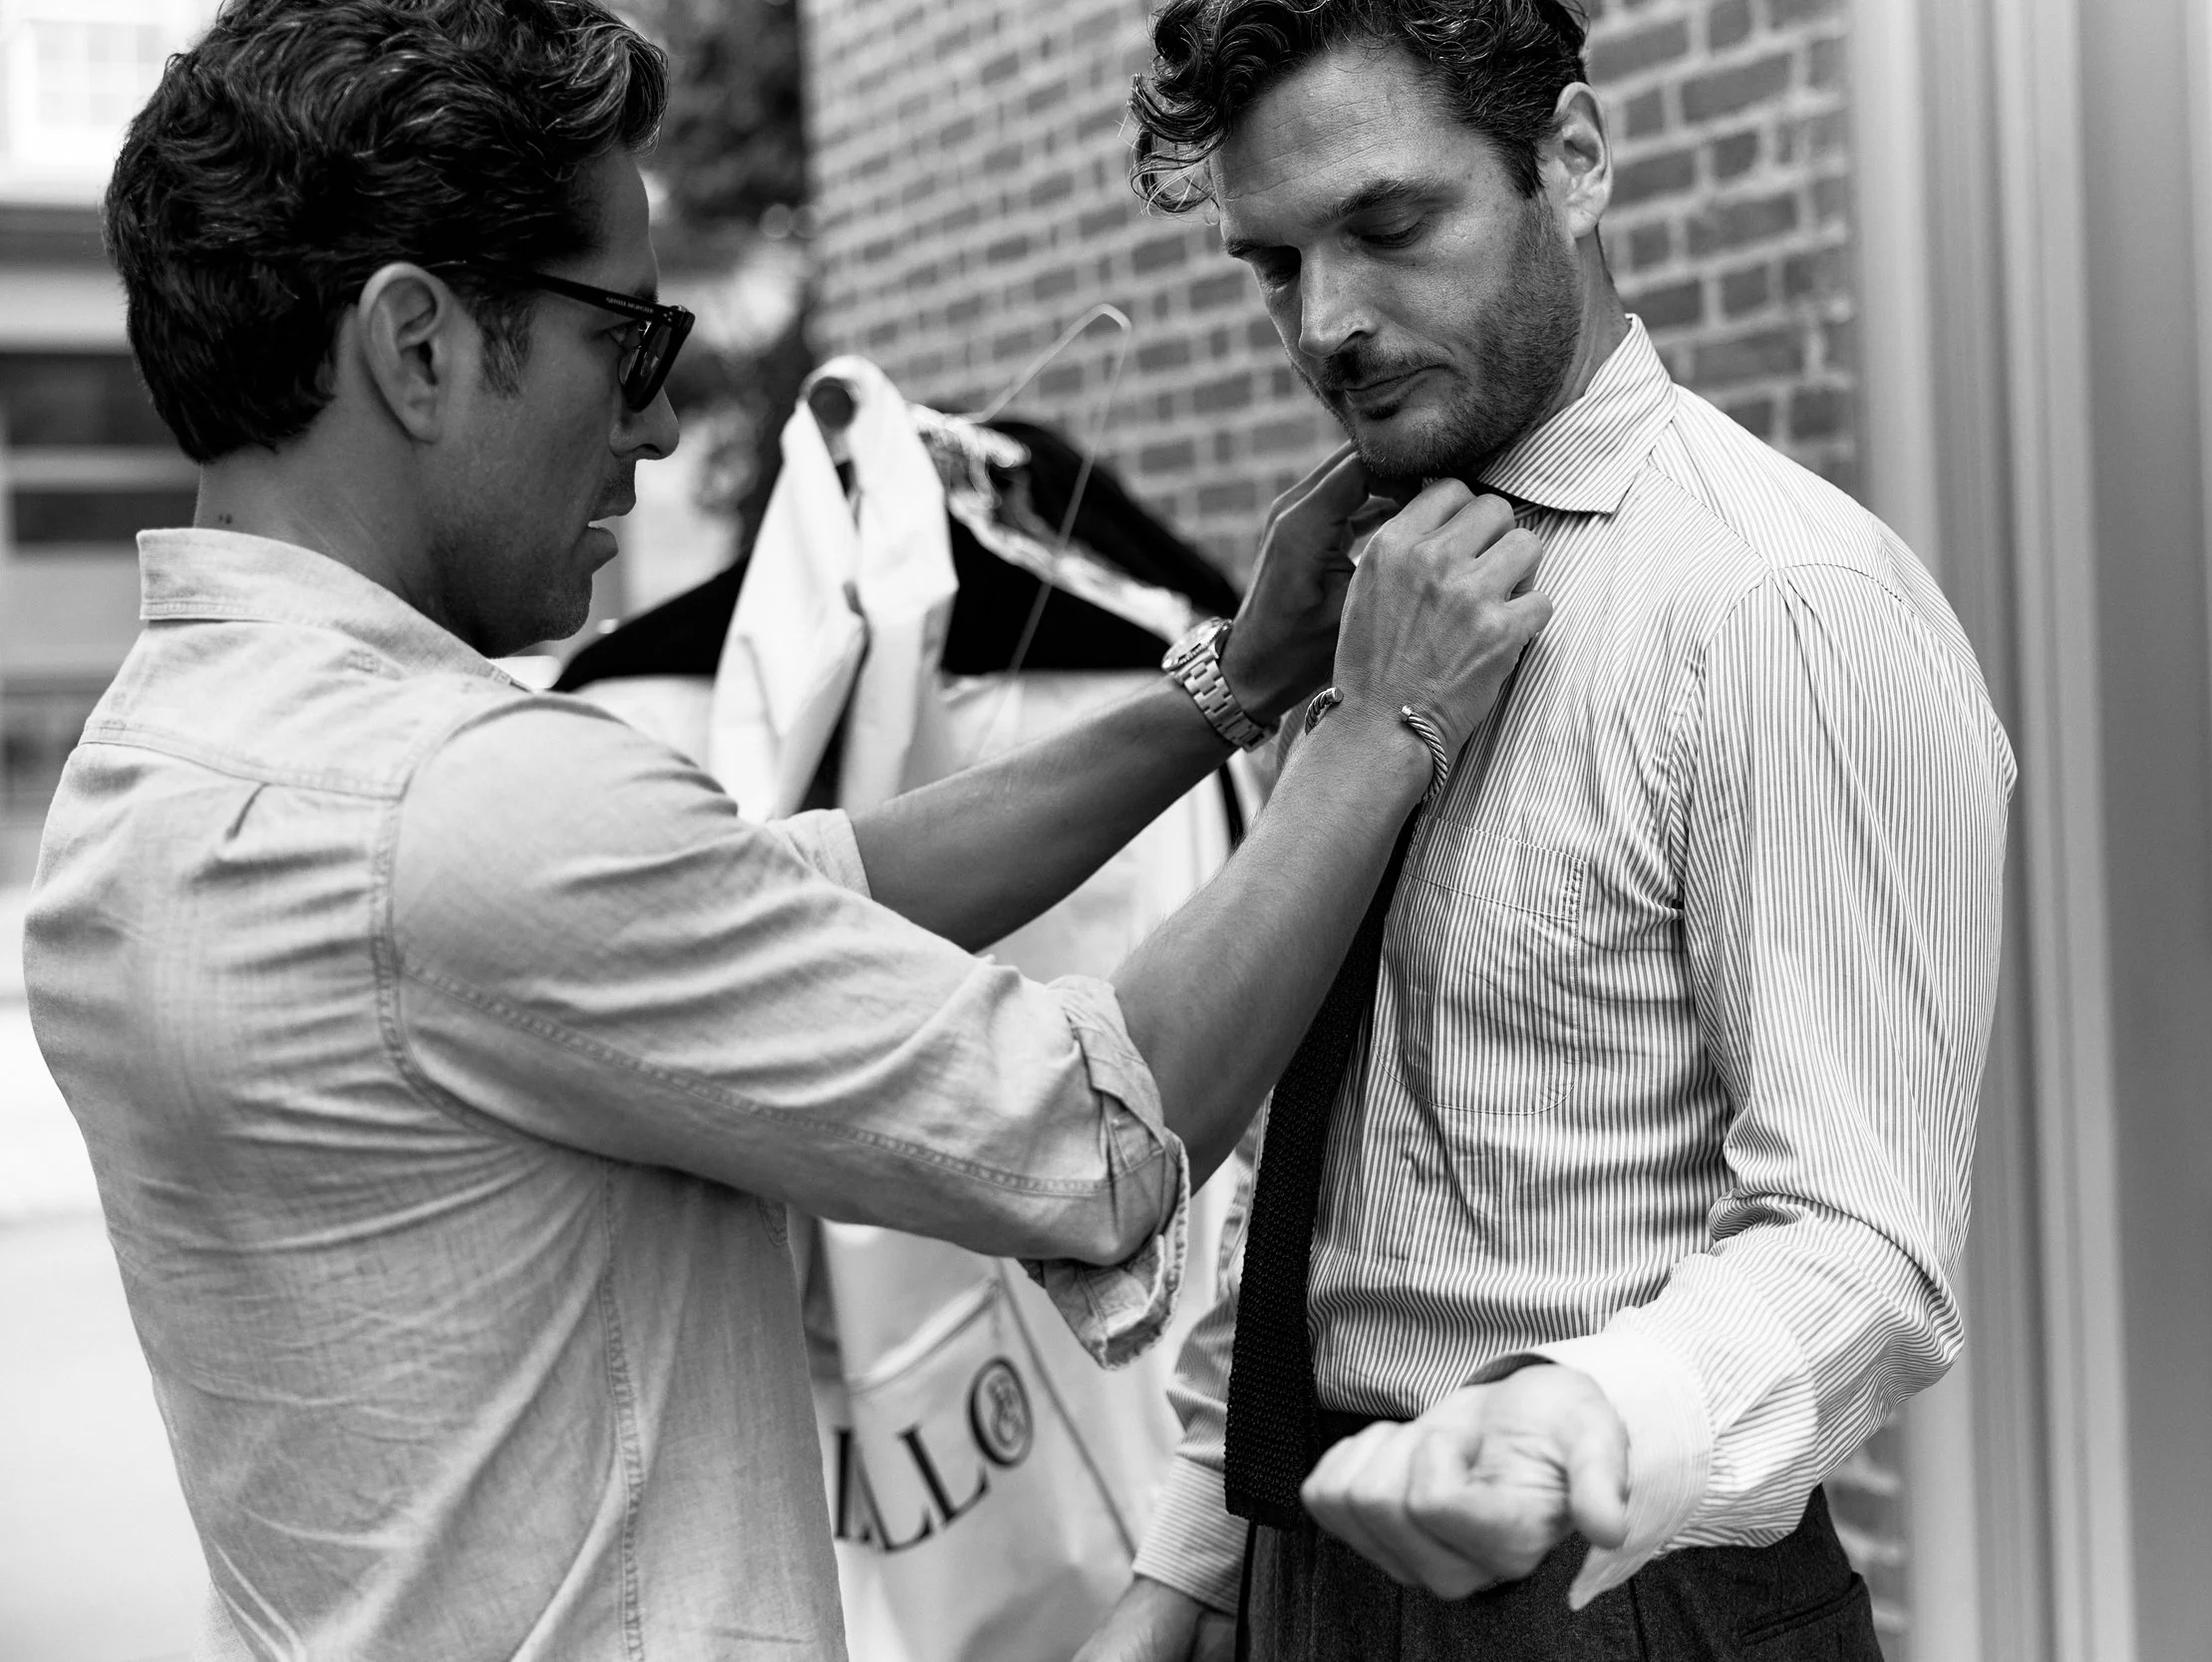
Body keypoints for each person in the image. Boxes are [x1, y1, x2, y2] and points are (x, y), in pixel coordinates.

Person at [22, 2, 1549, 1656]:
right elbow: (1100, 1131)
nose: (658, 426)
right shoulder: (464, 805)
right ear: (416, 347)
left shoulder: (140, 784)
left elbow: (796, 895)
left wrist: (1232, 686)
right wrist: (1381, 726)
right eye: (629, 341)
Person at [1078, 3, 2017, 1659]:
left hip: (1616, 1593)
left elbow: (1864, 1240)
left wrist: (1578, 1424)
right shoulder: (1384, 588)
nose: (1327, 322)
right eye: (1275, 264)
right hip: (1307, 1560)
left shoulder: (1781, 602)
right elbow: (1323, 1169)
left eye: (1388, 225)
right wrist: (1193, 1566)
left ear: (1572, 160)